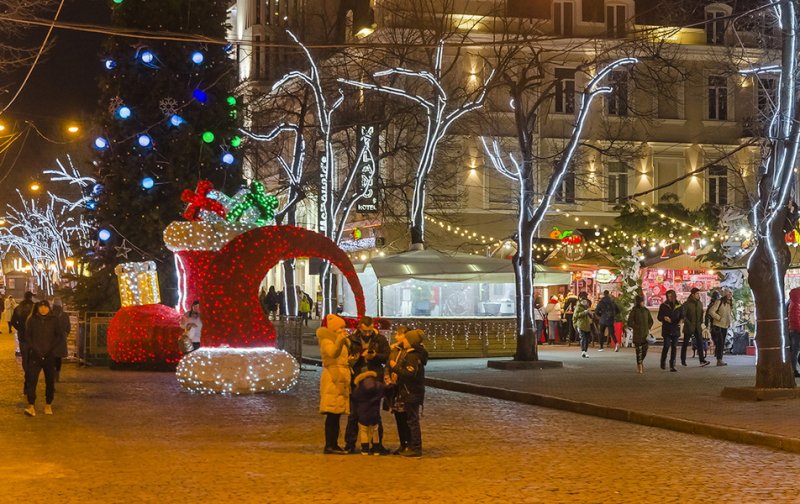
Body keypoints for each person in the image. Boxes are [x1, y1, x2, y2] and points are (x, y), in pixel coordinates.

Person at [344, 316, 390, 454]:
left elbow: (387, 355)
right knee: (353, 413)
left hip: (375, 378)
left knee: (375, 413)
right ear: (359, 328)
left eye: (370, 331)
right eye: (365, 331)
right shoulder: (352, 339)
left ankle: (377, 444)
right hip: (357, 379)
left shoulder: (380, 339)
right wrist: (353, 360)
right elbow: (346, 358)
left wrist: (374, 356)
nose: (368, 334)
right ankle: (350, 443)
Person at [388, 329, 428, 458]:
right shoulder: (408, 353)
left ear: (411, 342)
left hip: (411, 391)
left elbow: (409, 374)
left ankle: (415, 447)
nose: (403, 341)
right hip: (405, 391)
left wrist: (395, 367)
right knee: (406, 419)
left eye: (405, 339)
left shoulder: (413, 356)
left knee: (412, 420)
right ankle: (407, 445)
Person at [317, 314, 351, 454]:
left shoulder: (338, 339)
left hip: (340, 378)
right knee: (332, 414)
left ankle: (333, 444)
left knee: (336, 414)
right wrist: (340, 340)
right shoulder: (327, 340)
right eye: (341, 327)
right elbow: (333, 353)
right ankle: (330, 445)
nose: (343, 329)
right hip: (333, 379)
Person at [23, 300, 60, 416]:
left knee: (50, 381)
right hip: (35, 355)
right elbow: (28, 336)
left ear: (49, 308)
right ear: (37, 308)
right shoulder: (32, 320)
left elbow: (59, 335)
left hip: (49, 355)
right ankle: (31, 405)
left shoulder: (54, 320)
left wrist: (51, 348)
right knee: (32, 380)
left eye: (45, 307)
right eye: (41, 307)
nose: (43, 309)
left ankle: (48, 404)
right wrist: (34, 348)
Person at [384, 326, 409, 454]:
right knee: (399, 417)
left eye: (399, 335)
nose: (396, 337)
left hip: (405, 388)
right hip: (395, 389)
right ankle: (402, 443)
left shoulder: (410, 352)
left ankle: (410, 444)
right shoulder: (395, 350)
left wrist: (396, 370)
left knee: (407, 418)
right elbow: (388, 365)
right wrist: (388, 379)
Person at [351, 370, 385, 455]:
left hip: (363, 412)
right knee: (375, 430)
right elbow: (384, 390)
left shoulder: (359, 388)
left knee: (364, 430)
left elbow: (354, 397)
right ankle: (376, 449)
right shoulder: (378, 386)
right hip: (375, 413)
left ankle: (365, 449)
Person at [11, 291, 35, 392]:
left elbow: (13, 321)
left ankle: (27, 379)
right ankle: (30, 380)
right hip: (33, 337)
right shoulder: (34, 308)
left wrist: (19, 328)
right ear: (31, 297)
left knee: (25, 359)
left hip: (23, 337)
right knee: (32, 360)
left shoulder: (18, 308)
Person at [681, 288, 710, 367]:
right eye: (697, 294)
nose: (698, 295)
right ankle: (683, 359)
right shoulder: (687, 304)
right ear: (693, 294)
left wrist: (701, 323)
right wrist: (688, 323)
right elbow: (683, 315)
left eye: (699, 294)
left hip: (697, 326)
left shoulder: (699, 303)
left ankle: (702, 360)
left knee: (700, 343)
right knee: (685, 343)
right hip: (689, 327)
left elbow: (701, 314)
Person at [627, 295, 654, 374]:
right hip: (637, 334)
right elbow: (629, 322)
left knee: (645, 350)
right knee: (638, 351)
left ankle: (640, 362)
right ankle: (639, 365)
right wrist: (636, 327)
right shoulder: (634, 311)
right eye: (641, 301)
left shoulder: (646, 311)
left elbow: (651, 321)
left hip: (645, 334)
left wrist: (648, 327)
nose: (643, 303)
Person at [658, 289, 683, 372]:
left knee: (674, 347)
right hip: (667, 329)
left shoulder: (679, 305)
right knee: (666, 345)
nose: (669, 298)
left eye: (671, 296)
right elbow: (659, 317)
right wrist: (664, 318)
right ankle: (663, 361)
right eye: (668, 296)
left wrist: (681, 321)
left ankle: (672, 365)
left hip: (675, 328)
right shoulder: (663, 305)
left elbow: (683, 316)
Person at [708, 288, 733, 366]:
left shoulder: (729, 303)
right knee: (720, 342)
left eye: (731, 293)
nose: (730, 295)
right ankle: (719, 359)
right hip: (718, 326)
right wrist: (719, 318)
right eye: (729, 293)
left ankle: (720, 359)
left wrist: (729, 322)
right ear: (725, 294)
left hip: (725, 326)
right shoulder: (719, 301)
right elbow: (711, 311)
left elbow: (728, 314)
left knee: (722, 343)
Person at [51, 298, 71, 382]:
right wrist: (65, 334)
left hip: (51, 339)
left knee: (51, 358)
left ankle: (51, 375)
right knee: (58, 359)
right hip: (61, 339)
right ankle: (57, 376)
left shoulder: (50, 314)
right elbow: (68, 327)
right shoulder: (64, 315)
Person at [573, 293, 593, 359]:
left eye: (586, 301)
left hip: (587, 325)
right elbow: (576, 315)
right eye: (583, 301)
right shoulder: (578, 307)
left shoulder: (586, 307)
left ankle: (585, 351)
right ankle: (583, 351)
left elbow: (591, 316)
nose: (585, 302)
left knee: (587, 339)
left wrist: (590, 313)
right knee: (583, 338)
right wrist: (584, 312)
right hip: (580, 325)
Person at [788, 288, 800, 378]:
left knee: (794, 351)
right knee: (795, 351)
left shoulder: (792, 303)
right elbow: (796, 318)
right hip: (797, 330)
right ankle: (793, 370)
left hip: (794, 329)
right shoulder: (796, 304)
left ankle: (793, 369)